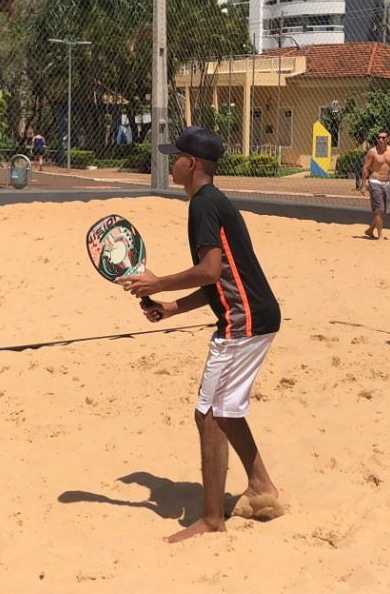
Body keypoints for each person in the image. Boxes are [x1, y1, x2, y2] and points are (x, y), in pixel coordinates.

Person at [116, 125, 283, 544]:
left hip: (244, 321)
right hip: (253, 315)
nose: (170, 162)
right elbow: (218, 280)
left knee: (208, 415)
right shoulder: (211, 202)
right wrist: (172, 307)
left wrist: (157, 284)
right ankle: (261, 487)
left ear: (191, 164)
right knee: (224, 411)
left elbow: (210, 271)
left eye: (175, 156)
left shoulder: (203, 206)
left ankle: (212, 519)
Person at [359, 128, 390, 240]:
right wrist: (363, 185)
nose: (380, 140)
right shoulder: (373, 152)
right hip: (375, 182)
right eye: (378, 137)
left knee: (384, 213)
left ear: (388, 139)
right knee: (380, 211)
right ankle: (380, 235)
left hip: (386, 183)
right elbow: (366, 168)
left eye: (383, 137)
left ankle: (369, 230)